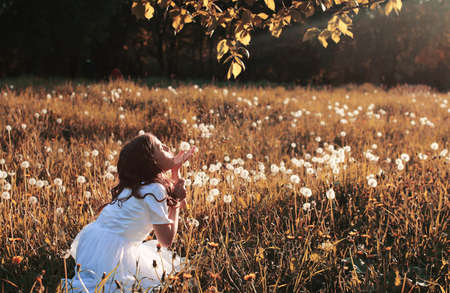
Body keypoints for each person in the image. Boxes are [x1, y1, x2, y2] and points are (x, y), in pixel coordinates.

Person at [63, 133, 196, 292]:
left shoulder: (133, 185)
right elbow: (166, 240)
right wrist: (177, 203)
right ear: (152, 161)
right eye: (160, 147)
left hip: (92, 243)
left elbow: (178, 197)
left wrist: (176, 174)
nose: (167, 147)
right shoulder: (155, 189)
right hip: (113, 255)